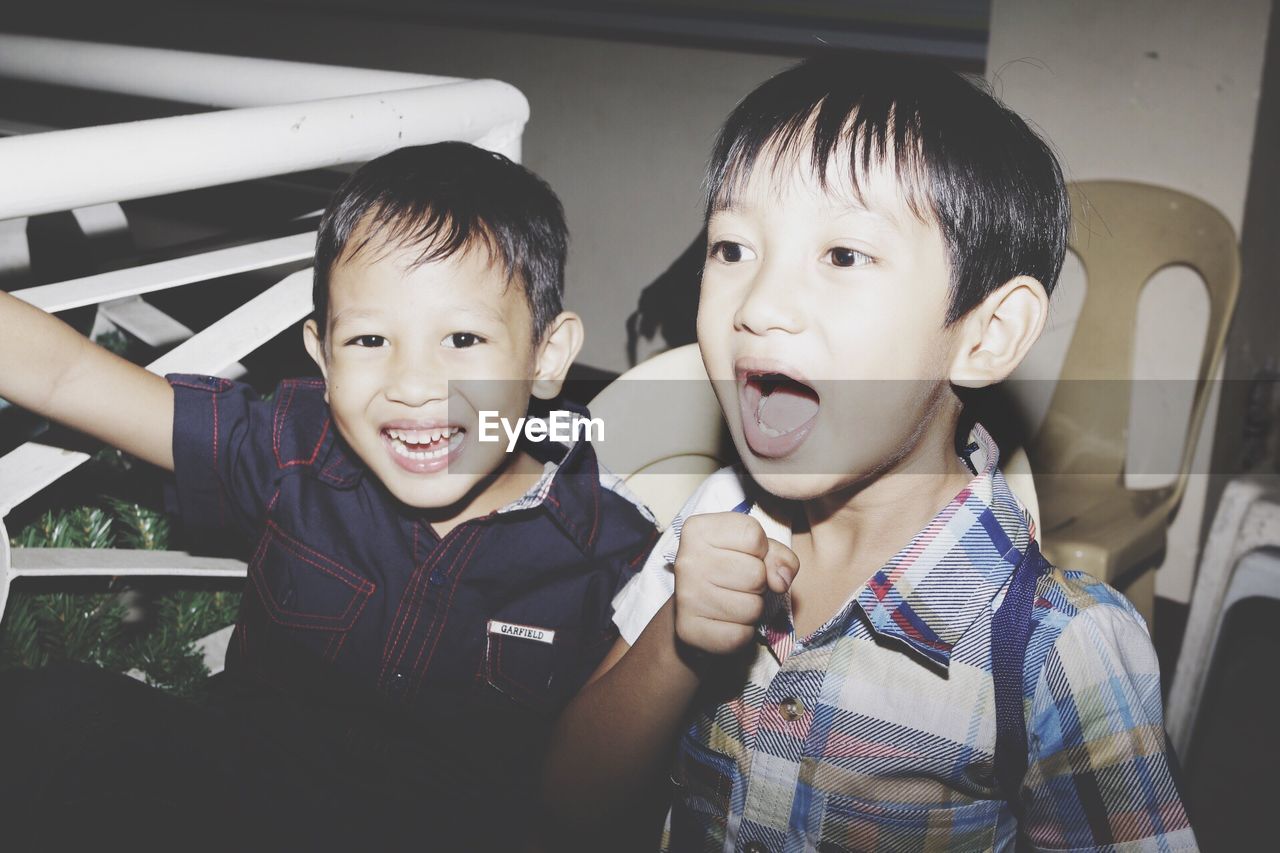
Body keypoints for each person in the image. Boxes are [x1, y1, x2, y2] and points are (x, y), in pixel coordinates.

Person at [544, 55, 1195, 851]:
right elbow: (566, 803)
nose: (760, 306)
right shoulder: (712, 523)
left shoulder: (1060, 649)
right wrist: (678, 636)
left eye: (843, 256)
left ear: (985, 335)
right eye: (732, 248)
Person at [0, 142, 658, 850]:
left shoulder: (613, 555)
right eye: (370, 339)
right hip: (233, 797)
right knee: (52, 711)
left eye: (462, 338)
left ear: (547, 356)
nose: (412, 385)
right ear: (321, 353)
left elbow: (595, 805)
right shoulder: (295, 448)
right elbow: (68, 378)